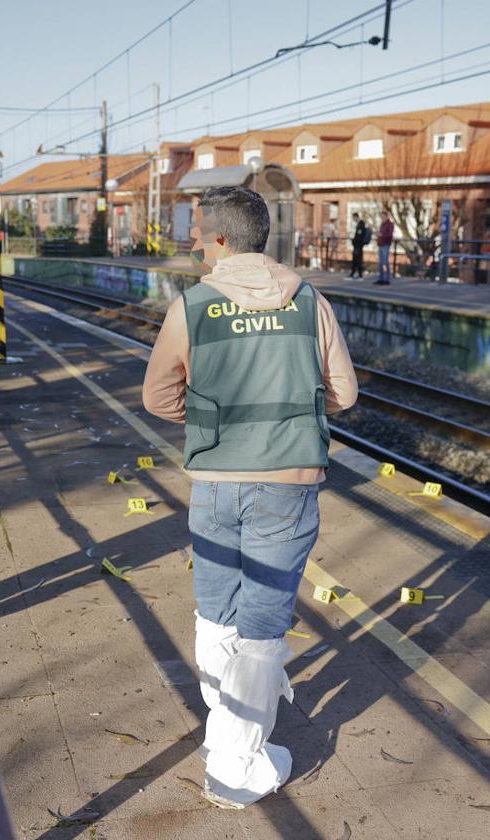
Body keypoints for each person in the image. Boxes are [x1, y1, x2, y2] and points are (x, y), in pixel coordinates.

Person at [141, 185, 358, 809]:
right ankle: (238, 759)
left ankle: (226, 745)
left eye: (196, 232)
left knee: (216, 610)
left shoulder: (192, 306)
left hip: (215, 482)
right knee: (263, 622)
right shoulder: (308, 301)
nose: (190, 243)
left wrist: (214, 423)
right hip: (288, 485)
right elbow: (342, 393)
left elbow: (157, 399)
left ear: (218, 240)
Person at [375, 210, 394, 285]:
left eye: (383, 216)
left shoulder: (389, 224)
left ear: (386, 216)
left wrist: (381, 234)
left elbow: (389, 234)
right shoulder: (382, 224)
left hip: (385, 244)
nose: (382, 218)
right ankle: (381, 278)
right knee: (380, 262)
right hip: (380, 244)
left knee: (385, 262)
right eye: (381, 217)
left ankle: (387, 279)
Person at [349, 213, 369, 278]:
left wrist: (354, 241)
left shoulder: (360, 224)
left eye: (353, 218)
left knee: (358, 260)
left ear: (356, 217)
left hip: (358, 245)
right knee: (355, 260)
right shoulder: (359, 224)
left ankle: (359, 274)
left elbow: (359, 235)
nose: (353, 219)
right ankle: (353, 273)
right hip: (357, 245)